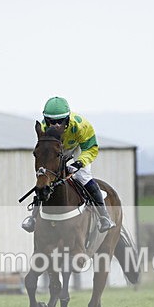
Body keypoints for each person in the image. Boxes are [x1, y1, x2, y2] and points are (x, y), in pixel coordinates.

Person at [22, 96, 116, 233]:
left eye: (60, 121)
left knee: (83, 177)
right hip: (55, 148)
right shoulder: (42, 127)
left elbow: (90, 148)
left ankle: (104, 217)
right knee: (44, 178)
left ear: (67, 118)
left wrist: (79, 163)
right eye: (51, 121)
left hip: (76, 148)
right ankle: (33, 218)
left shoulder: (81, 126)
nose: (56, 125)